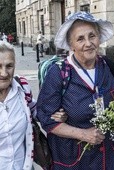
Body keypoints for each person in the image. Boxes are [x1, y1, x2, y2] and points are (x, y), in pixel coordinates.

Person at [37, 11, 114, 170]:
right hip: (74, 159)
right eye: (80, 39)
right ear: (71, 45)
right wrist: (83, 134)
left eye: (92, 36)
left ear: (99, 37)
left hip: (109, 154)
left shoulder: (108, 66)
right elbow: (46, 119)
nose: (88, 43)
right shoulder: (59, 73)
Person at [0, 41, 66, 170]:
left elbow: (36, 111)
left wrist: (55, 116)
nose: (4, 73)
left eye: (9, 66)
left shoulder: (22, 87)